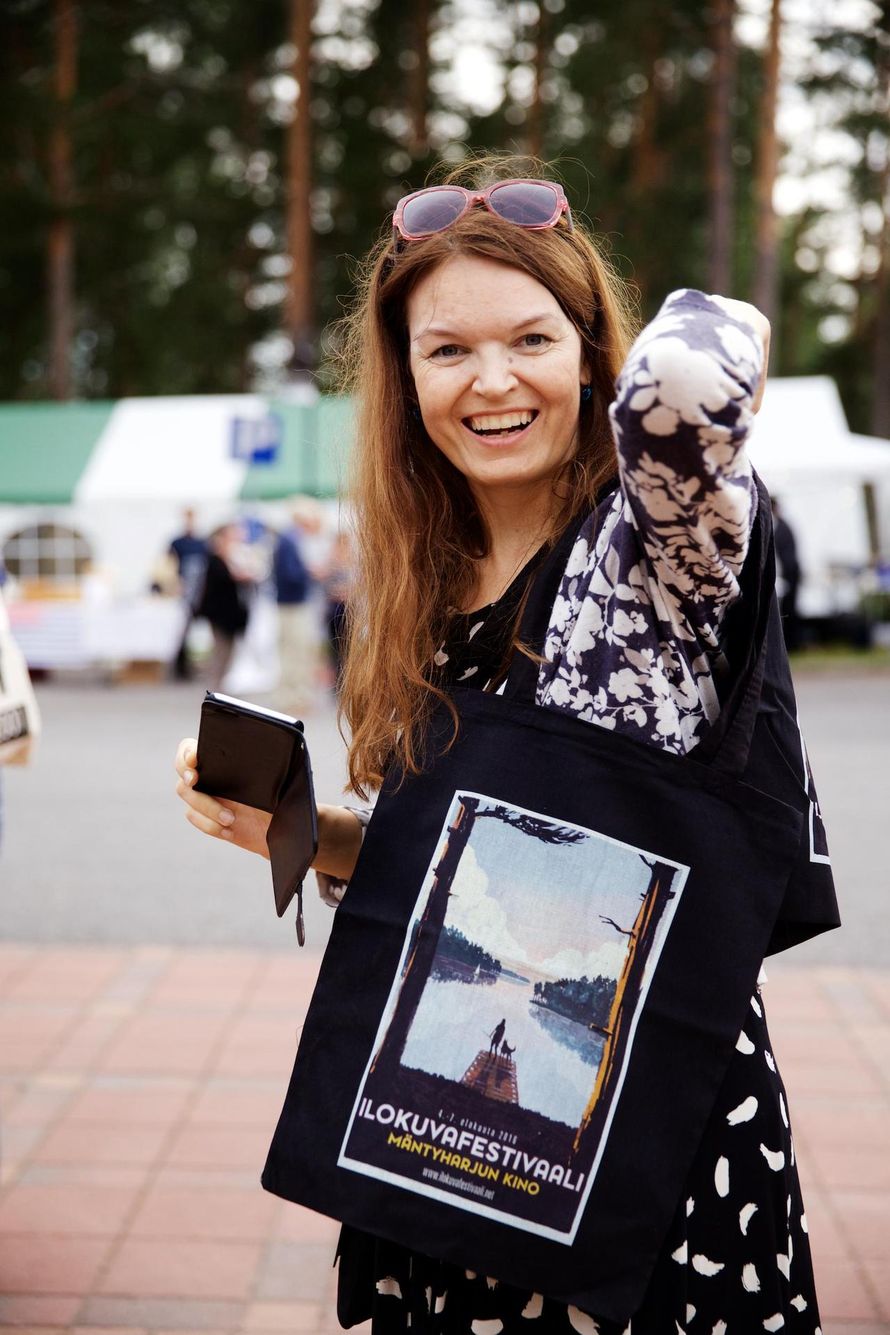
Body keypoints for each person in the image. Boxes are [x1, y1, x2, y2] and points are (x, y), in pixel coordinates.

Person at [175, 160, 838, 1333]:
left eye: (531, 338)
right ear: (403, 375)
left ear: (591, 353)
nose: (490, 381)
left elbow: (697, 368)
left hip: (643, 1155)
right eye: (446, 349)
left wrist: (650, 360)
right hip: (453, 1156)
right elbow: (463, 869)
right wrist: (312, 834)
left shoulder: (655, 551)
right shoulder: (425, 583)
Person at [272, 499, 320, 715]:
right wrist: (310, 573)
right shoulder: (290, 541)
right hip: (293, 605)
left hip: (290, 603)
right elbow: (291, 575)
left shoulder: (288, 540)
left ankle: (292, 695)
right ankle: (294, 696)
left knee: (292, 652)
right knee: (296, 653)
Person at [194, 522, 252, 692]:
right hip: (220, 615)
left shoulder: (231, 558)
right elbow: (223, 582)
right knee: (221, 651)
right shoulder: (215, 560)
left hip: (230, 615)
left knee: (227, 653)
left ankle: (220, 687)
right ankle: (215, 689)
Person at [167, 507, 208, 680]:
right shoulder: (177, 542)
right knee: (182, 629)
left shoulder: (202, 542)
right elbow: (169, 564)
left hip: (199, 590)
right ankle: (181, 666)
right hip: (185, 591)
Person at [771, 495, 803, 651]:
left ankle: (791, 643)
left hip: (790, 573)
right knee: (788, 608)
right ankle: (790, 643)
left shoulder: (781, 527)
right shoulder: (782, 526)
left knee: (789, 609)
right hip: (790, 572)